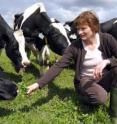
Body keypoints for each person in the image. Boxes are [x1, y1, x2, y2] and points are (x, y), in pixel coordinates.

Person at [27, 10, 117, 123]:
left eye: (83, 28)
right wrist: (38, 84)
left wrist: (108, 61)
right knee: (101, 98)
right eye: (78, 29)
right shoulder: (75, 46)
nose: (79, 32)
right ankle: (83, 96)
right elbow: (59, 65)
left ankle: (114, 115)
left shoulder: (107, 39)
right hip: (85, 80)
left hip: (104, 78)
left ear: (94, 27)